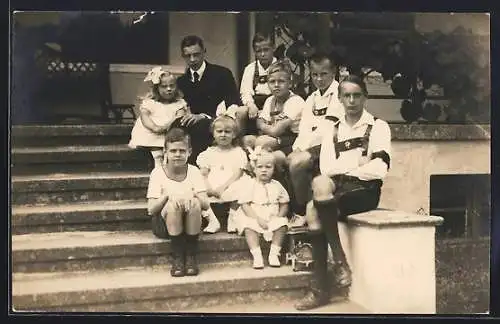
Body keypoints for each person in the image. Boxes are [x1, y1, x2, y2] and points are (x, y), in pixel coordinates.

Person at [294, 75, 392, 310]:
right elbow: (327, 168)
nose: (352, 101)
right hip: (336, 187)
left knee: (313, 207)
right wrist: (358, 162)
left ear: (365, 97)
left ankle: (321, 288)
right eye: (346, 96)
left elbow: (379, 169)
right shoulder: (333, 129)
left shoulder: (377, 126)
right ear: (339, 99)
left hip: (364, 190)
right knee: (319, 185)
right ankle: (338, 265)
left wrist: (348, 168)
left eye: (357, 95)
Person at [287, 52, 344, 227]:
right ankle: (291, 209)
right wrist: (298, 147)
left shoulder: (340, 94)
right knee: (284, 159)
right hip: (312, 145)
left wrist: (303, 150)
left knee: (297, 163)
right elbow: (304, 127)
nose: (319, 79)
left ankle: (302, 210)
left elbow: (326, 129)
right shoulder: (312, 98)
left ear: (333, 72)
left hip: (332, 146)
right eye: (315, 75)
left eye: (323, 74)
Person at [146, 128, 211, 277]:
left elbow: (206, 205)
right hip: (164, 225)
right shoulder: (157, 173)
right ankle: (178, 257)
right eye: (173, 151)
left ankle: (191, 256)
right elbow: (151, 210)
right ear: (165, 152)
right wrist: (168, 196)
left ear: (189, 151)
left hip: (190, 222)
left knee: (195, 203)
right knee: (173, 205)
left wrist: (193, 194)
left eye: (182, 151)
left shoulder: (194, 171)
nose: (177, 155)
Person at [176, 35, 243, 161]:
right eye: (188, 56)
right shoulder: (181, 81)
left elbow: (233, 102)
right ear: (183, 56)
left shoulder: (222, 74)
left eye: (196, 55)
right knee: (176, 127)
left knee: (201, 127)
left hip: (217, 121)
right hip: (191, 122)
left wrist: (204, 116)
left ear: (204, 52)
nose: (192, 59)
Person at [242, 60, 305, 171]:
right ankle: (247, 171)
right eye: (272, 82)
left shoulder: (295, 101)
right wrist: (267, 127)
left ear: (289, 83)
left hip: (292, 140)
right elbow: (259, 122)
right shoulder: (270, 100)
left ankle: (257, 172)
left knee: (262, 141)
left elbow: (276, 130)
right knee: (247, 140)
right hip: (276, 137)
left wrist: (265, 127)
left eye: (281, 81)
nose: (276, 85)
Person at [235, 150, 289, 269]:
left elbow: (284, 203)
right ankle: (257, 255)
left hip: (272, 215)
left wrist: (279, 216)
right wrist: (257, 219)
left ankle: (274, 253)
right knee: (249, 228)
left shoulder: (277, 185)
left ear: (274, 169)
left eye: (268, 167)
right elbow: (245, 205)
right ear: (254, 169)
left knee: (282, 225)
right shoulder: (250, 185)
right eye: (260, 167)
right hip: (254, 214)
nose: (264, 170)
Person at [197, 115, 250, 233]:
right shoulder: (208, 153)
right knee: (196, 187)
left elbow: (238, 173)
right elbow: (203, 174)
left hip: (231, 182)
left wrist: (223, 187)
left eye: (227, 132)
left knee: (246, 184)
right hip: (213, 182)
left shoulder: (238, 152)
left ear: (234, 134)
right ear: (214, 133)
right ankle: (212, 220)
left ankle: (233, 216)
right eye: (219, 131)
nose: (223, 134)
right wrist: (208, 187)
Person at [128, 67, 189, 169]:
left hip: (169, 129)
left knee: (173, 138)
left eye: (172, 86)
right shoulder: (150, 103)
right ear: (157, 88)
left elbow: (179, 117)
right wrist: (154, 127)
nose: (168, 89)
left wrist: (166, 126)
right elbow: (145, 117)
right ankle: (158, 160)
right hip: (151, 130)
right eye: (164, 86)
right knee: (153, 139)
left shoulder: (179, 103)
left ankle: (166, 160)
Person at [239, 31, 278, 133]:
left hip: (275, 104)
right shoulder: (250, 68)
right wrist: (251, 105)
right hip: (255, 106)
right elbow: (245, 92)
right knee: (241, 111)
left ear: (273, 48)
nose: (262, 54)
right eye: (258, 51)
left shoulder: (280, 67)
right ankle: (238, 142)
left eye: (266, 50)